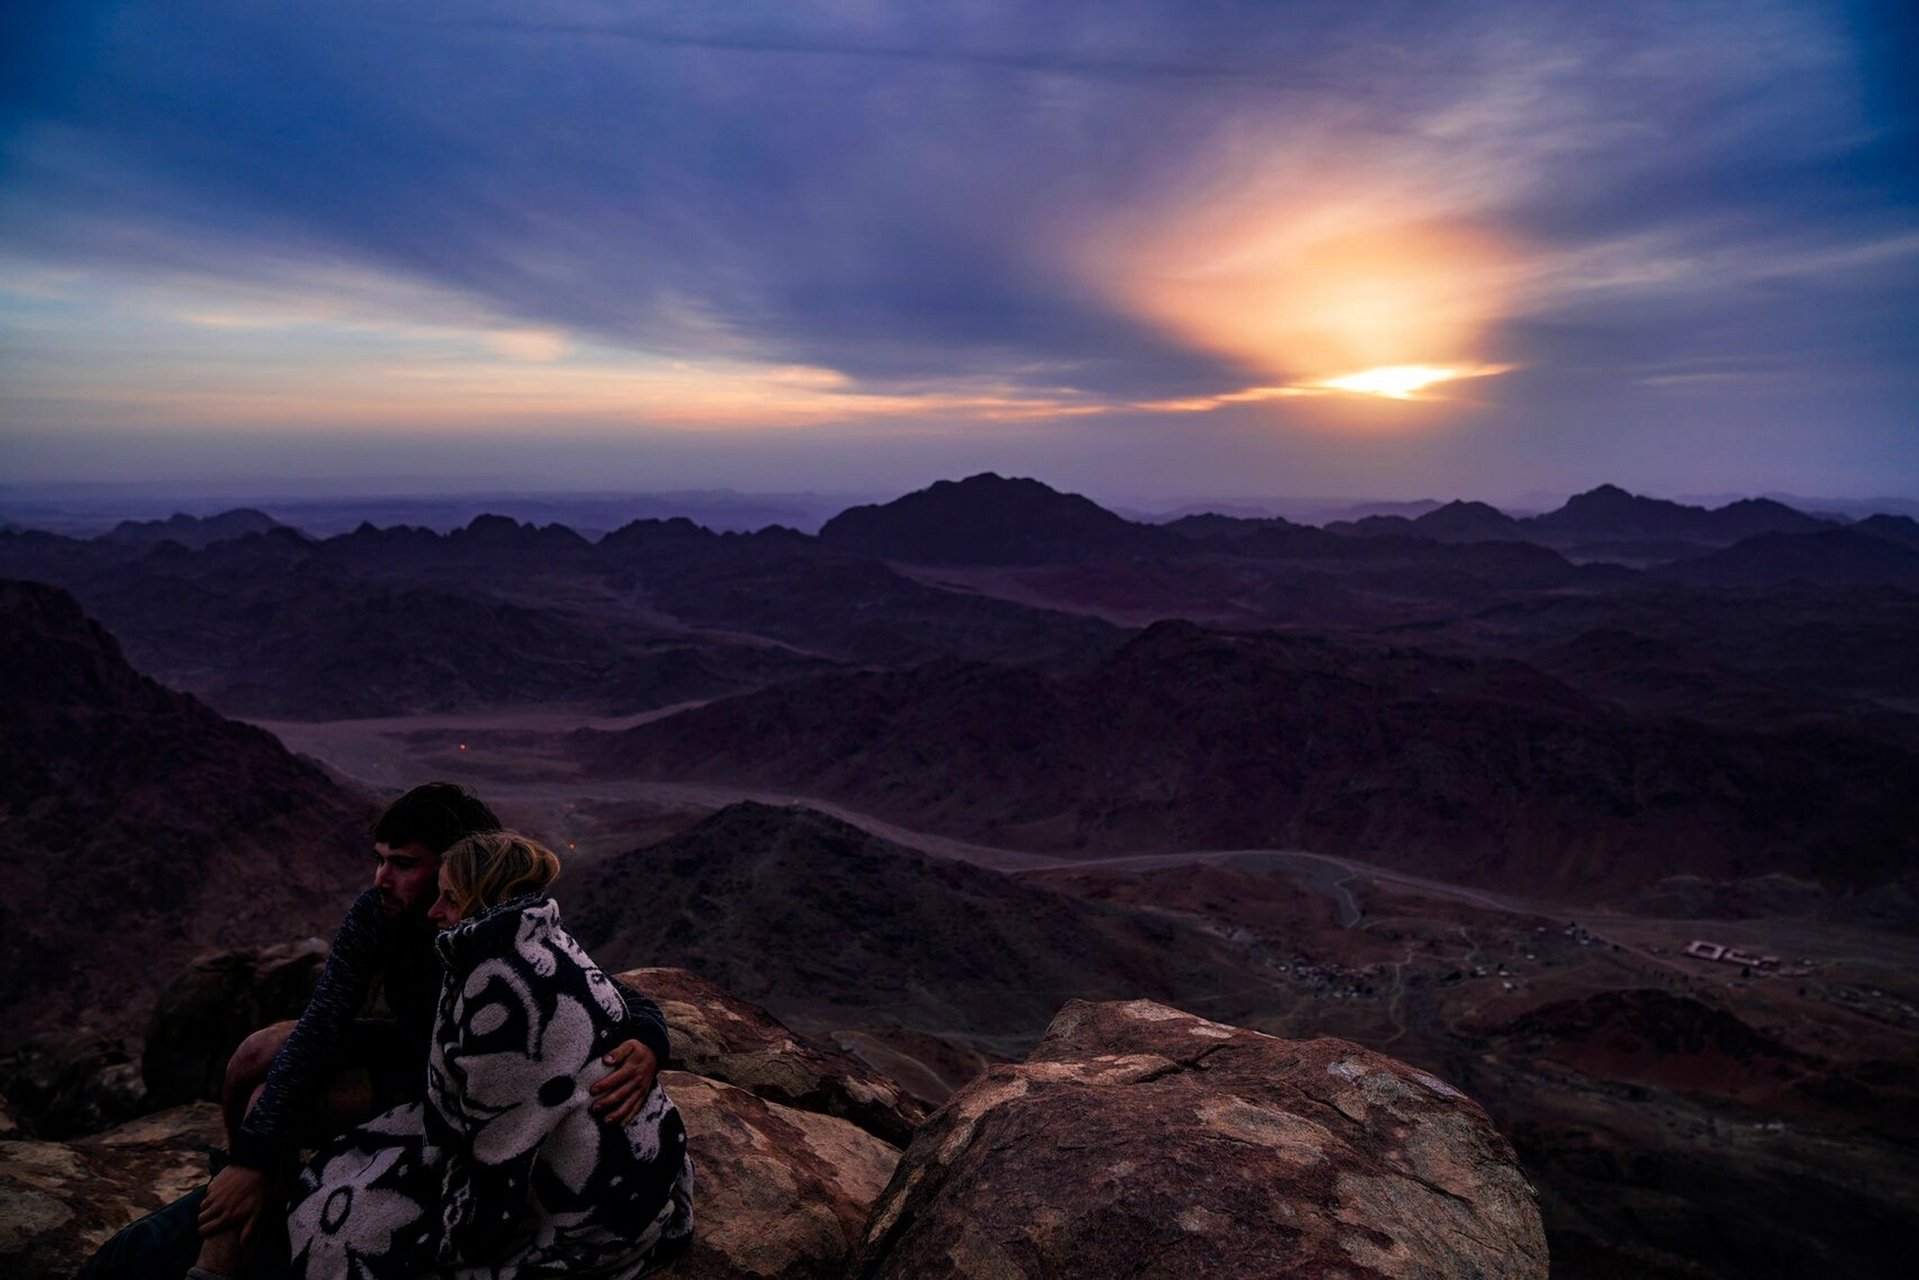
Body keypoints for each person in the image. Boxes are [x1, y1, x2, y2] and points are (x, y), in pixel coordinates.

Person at [192, 783, 668, 1279]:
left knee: (266, 1103)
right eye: (380, 859)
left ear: (454, 865)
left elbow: (595, 986)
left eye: (402, 864)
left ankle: (228, 1253)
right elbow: (323, 1021)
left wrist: (651, 1041)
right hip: (413, 1038)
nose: (379, 878)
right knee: (256, 1053)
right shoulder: (380, 910)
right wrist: (250, 1156)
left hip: (450, 1073)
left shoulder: (501, 918)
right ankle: (250, 1182)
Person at [286, 831, 693, 1278]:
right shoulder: (541, 934)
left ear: (486, 899)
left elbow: (499, 1157)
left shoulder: (502, 992)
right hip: (641, 1168)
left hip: (591, 1207)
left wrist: (452, 1243)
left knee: (341, 1218)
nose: (435, 911)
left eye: (451, 899)